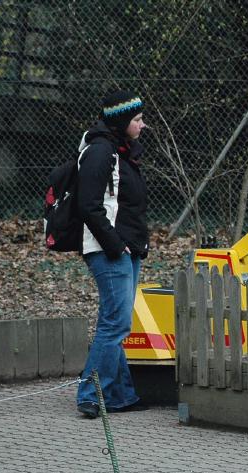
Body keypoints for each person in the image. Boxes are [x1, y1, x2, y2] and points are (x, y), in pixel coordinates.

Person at [74, 91, 151, 418]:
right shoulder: (100, 151)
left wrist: (134, 244)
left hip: (126, 247)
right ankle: (89, 393)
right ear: (122, 122)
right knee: (115, 323)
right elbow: (88, 205)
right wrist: (115, 244)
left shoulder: (122, 151)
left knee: (118, 322)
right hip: (108, 250)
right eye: (137, 120)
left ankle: (120, 396)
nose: (143, 125)